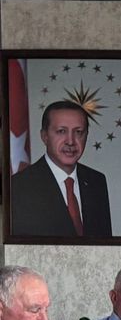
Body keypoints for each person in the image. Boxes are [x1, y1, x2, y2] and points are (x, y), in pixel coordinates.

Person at [8, 100, 113, 238]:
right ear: (44, 136)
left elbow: (105, 244)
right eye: (61, 131)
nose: (70, 141)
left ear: (86, 136)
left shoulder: (96, 181)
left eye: (78, 132)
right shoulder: (18, 187)